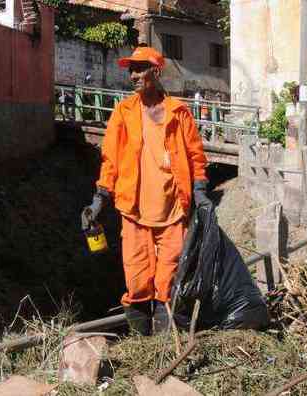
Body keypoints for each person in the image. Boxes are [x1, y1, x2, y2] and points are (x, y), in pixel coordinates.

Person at [81, 46, 211, 335]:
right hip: (135, 212)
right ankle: (142, 339)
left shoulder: (179, 113)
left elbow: (195, 156)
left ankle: (166, 342)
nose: (133, 75)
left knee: (168, 281)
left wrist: (200, 190)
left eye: (140, 69)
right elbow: (110, 159)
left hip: (174, 212)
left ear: (157, 71)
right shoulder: (124, 112)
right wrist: (100, 198)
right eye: (131, 70)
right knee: (138, 281)